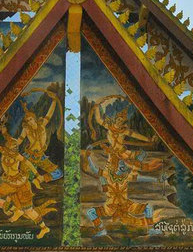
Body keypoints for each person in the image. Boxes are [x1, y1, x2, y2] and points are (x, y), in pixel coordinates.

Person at [83, 97, 164, 237]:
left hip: (122, 154)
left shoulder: (124, 132)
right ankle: (101, 230)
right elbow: (98, 119)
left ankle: (151, 229)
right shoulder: (108, 127)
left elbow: (137, 136)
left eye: (121, 121)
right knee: (135, 162)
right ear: (114, 120)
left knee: (140, 159)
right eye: (118, 120)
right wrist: (96, 107)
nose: (119, 122)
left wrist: (148, 140)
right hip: (113, 162)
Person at [0, 122, 53, 239]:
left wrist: (38, 174)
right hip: (10, 182)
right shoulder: (4, 151)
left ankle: (44, 228)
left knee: (28, 210)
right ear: (8, 146)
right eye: (13, 146)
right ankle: (15, 210)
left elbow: (28, 163)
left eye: (16, 147)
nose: (15, 148)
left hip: (21, 183)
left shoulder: (17, 156)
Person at [17, 90, 63, 184]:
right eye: (28, 120)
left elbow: (49, 114)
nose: (30, 121)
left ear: (34, 118)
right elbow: (19, 140)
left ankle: (39, 179)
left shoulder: (42, 125)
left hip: (41, 156)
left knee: (58, 173)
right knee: (23, 178)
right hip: (29, 156)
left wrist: (54, 101)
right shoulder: (26, 129)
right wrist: (11, 146)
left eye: (31, 119)